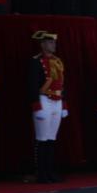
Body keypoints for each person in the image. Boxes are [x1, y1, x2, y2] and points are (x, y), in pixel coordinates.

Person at [28, 30, 68, 183]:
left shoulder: (58, 61)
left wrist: (64, 103)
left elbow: (63, 84)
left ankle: (50, 171)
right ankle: (41, 173)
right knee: (42, 139)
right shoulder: (36, 61)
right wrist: (36, 105)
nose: (53, 44)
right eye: (50, 42)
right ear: (43, 44)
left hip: (57, 100)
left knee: (51, 139)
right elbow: (32, 85)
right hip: (44, 99)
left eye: (54, 42)